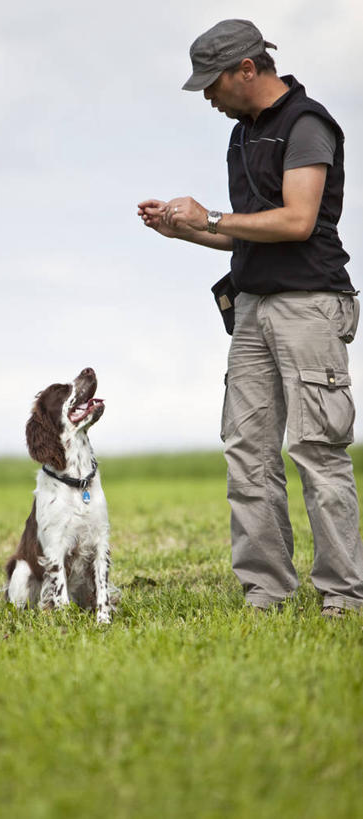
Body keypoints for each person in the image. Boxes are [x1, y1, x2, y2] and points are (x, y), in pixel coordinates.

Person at [138, 19, 363, 617]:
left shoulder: (307, 124)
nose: (207, 96)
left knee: (317, 451)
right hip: (254, 307)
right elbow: (246, 234)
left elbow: (296, 221)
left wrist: (209, 216)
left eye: (212, 83)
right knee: (247, 452)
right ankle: (266, 593)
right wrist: (184, 229)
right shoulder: (242, 134)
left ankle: (343, 597)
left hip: (309, 306)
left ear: (247, 69)